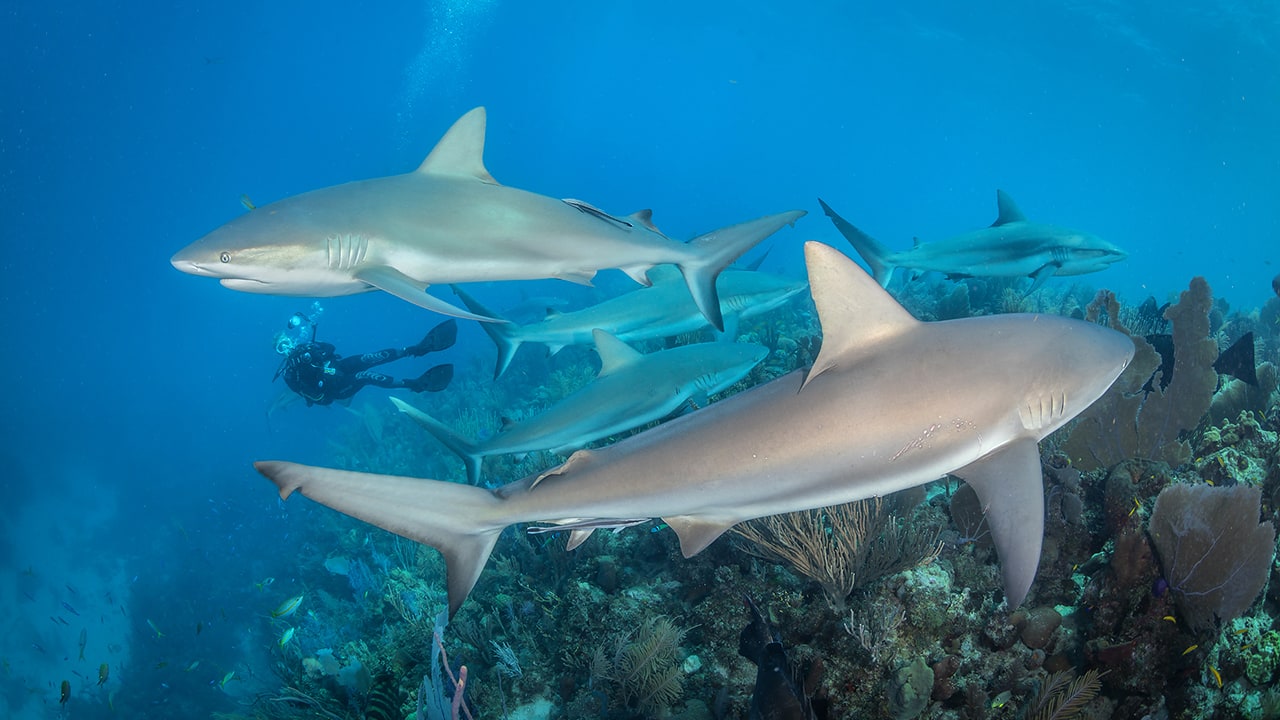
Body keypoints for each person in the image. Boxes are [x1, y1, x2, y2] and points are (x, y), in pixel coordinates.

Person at [274, 313, 457, 407]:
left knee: (371, 357)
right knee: (365, 375)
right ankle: (414, 384)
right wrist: (320, 379)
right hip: (336, 388)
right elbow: (319, 398)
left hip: (339, 367)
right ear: (280, 353)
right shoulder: (291, 374)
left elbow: (331, 349)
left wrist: (314, 347)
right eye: (281, 347)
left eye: (287, 341)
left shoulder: (306, 346)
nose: (287, 346)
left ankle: (418, 349)